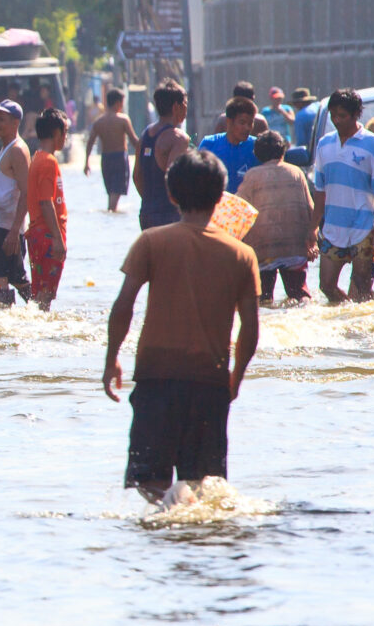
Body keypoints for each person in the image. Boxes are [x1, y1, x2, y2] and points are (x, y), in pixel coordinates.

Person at [102, 150, 261, 501]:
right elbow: (250, 327)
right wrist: (236, 377)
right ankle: (189, 519)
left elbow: (123, 304)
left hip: (156, 379)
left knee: (150, 482)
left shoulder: (151, 242)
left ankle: (167, 512)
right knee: (205, 486)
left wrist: (112, 357)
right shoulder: (240, 254)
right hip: (210, 382)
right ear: (221, 197)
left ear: (171, 194)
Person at [311, 88, 374, 304]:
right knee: (326, 285)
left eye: (342, 116)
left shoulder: (373, 144)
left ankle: (360, 327)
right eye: (333, 115)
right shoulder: (324, 144)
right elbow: (320, 190)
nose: (337, 120)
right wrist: (312, 227)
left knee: (362, 286)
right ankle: (346, 315)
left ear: (356, 114)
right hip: (333, 227)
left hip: (363, 226)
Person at [236, 128, 315, 304]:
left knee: (263, 299)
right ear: (283, 151)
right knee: (300, 296)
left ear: (257, 154)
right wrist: (313, 239)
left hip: (263, 249)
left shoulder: (252, 176)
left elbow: (240, 210)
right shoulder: (296, 173)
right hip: (294, 247)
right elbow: (310, 207)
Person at [0, 99, 31, 306]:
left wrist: (13, 232)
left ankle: (9, 323)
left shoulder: (17, 150)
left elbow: (27, 192)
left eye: (1, 119)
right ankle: (40, 310)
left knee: (0, 285)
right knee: (17, 281)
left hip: (5, 230)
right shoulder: (6, 148)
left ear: (15, 123)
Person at [24, 108, 69, 310]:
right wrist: (58, 238)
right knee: (45, 295)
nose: (65, 139)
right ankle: (42, 335)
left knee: (39, 294)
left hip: (37, 233)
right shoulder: (48, 162)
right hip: (48, 236)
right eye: (65, 133)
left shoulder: (37, 158)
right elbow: (45, 201)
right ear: (57, 133)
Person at [133, 82, 190, 230]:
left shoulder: (144, 135)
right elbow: (174, 179)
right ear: (176, 107)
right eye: (185, 104)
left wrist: (150, 202)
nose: (186, 109)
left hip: (146, 213)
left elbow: (137, 177)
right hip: (169, 215)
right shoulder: (178, 138)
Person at [196, 96, 262, 191]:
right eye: (242, 122)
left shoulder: (257, 146)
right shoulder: (210, 144)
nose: (247, 128)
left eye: (250, 123)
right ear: (229, 121)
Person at [85, 88, 135, 212]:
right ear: (118, 103)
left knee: (111, 191)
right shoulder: (123, 120)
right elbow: (134, 141)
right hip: (119, 158)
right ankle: (110, 211)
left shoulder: (98, 122)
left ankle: (110, 212)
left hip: (106, 159)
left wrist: (86, 162)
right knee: (116, 192)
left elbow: (90, 143)